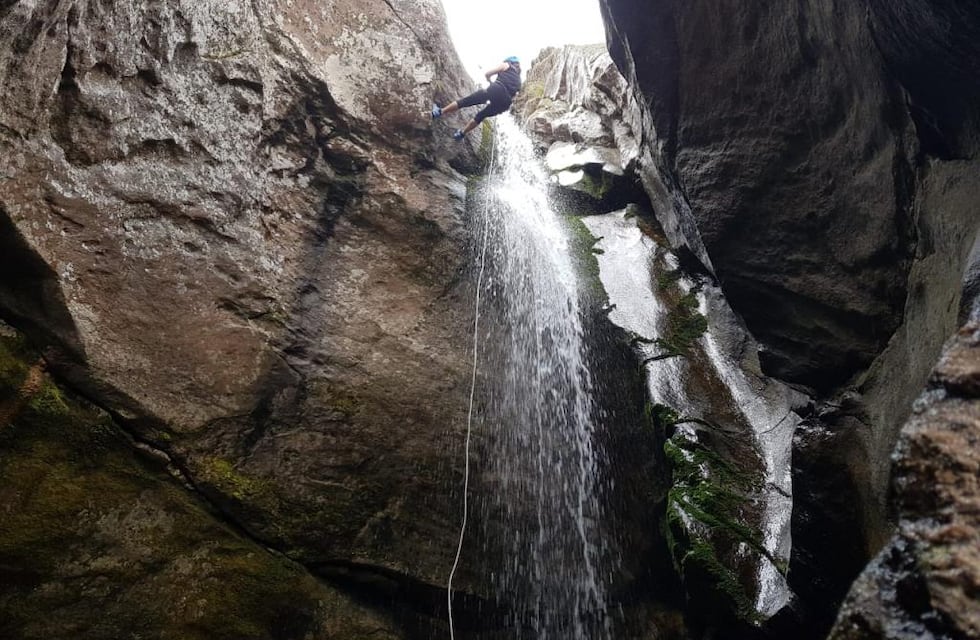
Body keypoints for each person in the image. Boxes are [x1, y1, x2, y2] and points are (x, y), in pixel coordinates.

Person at [432, 56, 522, 140]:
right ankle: (461, 134)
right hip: (505, 104)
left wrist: (490, 82)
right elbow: (515, 96)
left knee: (466, 101)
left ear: (510, 61)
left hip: (497, 89)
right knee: (481, 116)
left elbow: (488, 74)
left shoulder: (507, 65)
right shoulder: (519, 81)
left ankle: (439, 112)